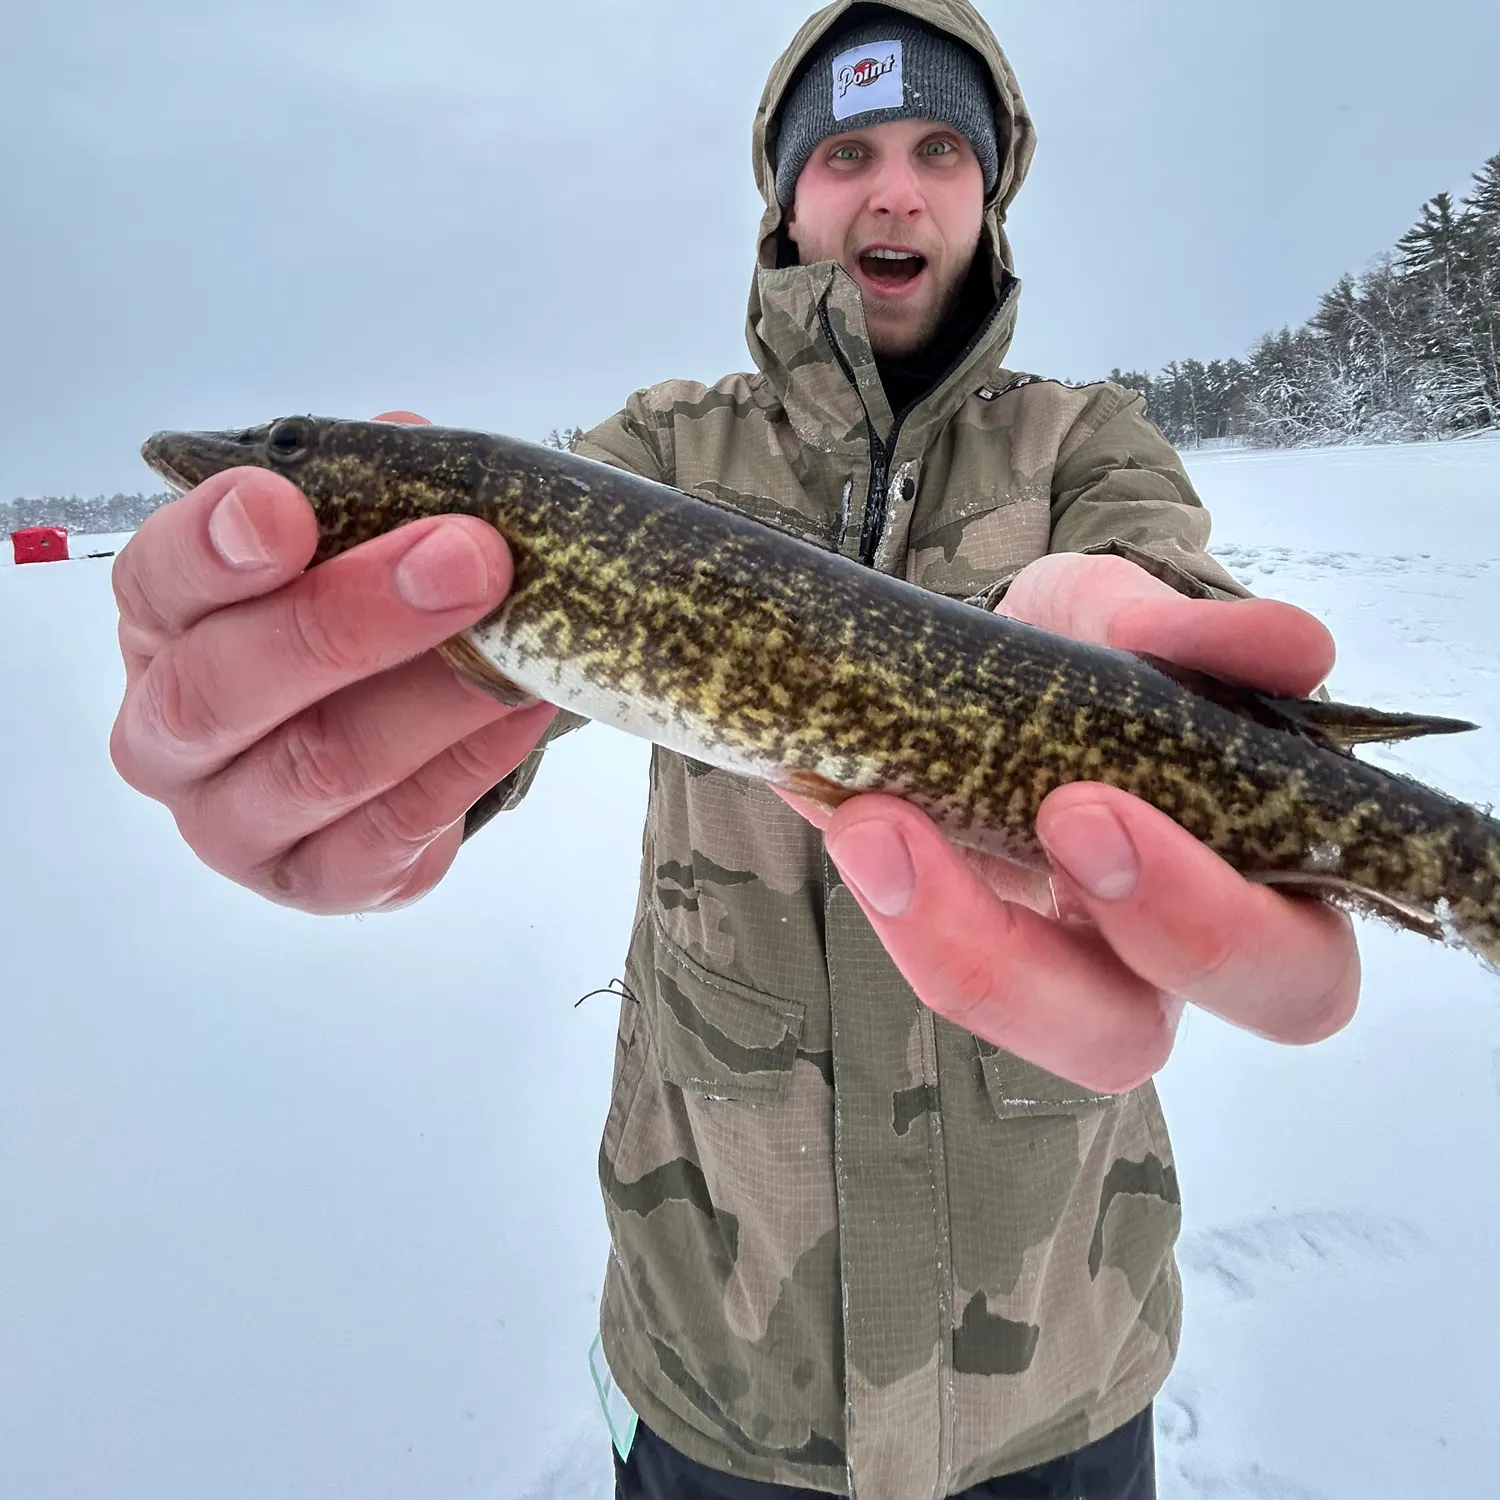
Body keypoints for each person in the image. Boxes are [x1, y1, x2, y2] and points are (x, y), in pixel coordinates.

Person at [108, 2, 1360, 1496]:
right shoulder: (652, 457)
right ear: (785, 197)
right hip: (725, 1366)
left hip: (1059, 1363)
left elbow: (1162, 579)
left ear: (991, 191)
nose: (893, 188)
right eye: (846, 151)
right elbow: (485, 701)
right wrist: (352, 771)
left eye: (939, 147)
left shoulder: (1086, 443)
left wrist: (1165, 643)